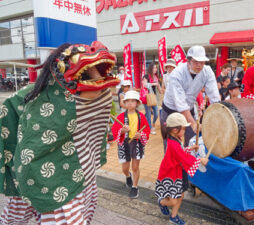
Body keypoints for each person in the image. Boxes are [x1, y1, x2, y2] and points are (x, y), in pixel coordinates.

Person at [0, 41, 120, 224]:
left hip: (79, 172)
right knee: (16, 216)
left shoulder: (92, 96)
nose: (97, 79)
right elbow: (7, 113)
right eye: (88, 72)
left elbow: (99, 89)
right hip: (45, 177)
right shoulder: (37, 95)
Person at [160, 45, 220, 195]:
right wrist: (192, 123)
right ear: (188, 60)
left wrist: (219, 116)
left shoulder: (207, 72)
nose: (199, 65)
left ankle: (189, 179)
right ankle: (170, 180)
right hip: (171, 111)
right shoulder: (177, 74)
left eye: (202, 62)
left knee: (190, 145)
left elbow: (214, 96)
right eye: (195, 61)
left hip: (189, 109)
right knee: (171, 147)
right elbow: (180, 104)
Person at [155, 113, 208, 225]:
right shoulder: (173, 143)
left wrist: (190, 148)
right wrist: (200, 160)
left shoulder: (176, 138)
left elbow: (181, 151)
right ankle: (162, 202)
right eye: (183, 128)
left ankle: (173, 216)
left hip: (178, 172)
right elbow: (182, 157)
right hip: (170, 174)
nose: (185, 130)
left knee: (180, 195)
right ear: (175, 130)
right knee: (173, 200)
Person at [111, 90, 150, 198]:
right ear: (125, 102)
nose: (130, 103)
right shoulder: (120, 117)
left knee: (135, 167)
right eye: (128, 101)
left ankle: (135, 187)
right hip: (124, 144)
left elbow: (146, 130)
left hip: (136, 143)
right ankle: (128, 176)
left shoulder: (141, 116)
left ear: (137, 103)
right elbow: (114, 131)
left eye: (133, 101)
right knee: (125, 168)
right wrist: (122, 131)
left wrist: (140, 135)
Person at [142, 62, 161, 134]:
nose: (155, 69)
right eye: (154, 68)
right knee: (148, 113)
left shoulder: (156, 77)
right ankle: (150, 128)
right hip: (147, 96)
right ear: (150, 68)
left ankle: (152, 123)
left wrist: (159, 86)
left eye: (156, 68)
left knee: (156, 113)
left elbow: (160, 90)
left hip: (153, 97)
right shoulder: (146, 76)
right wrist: (154, 83)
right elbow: (144, 85)